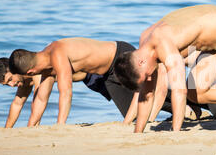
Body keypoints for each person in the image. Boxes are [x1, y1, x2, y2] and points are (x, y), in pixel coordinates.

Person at [114, 4, 216, 134]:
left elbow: (179, 91)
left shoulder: (163, 43)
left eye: (146, 76)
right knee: (195, 92)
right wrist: (137, 132)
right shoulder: (145, 43)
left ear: (140, 62)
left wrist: (175, 132)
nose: (149, 79)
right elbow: (146, 93)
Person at [8, 39, 138, 125]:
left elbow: (66, 93)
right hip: (108, 75)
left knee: (148, 98)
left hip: (121, 56)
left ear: (30, 72)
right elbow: (41, 99)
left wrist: (60, 126)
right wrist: (30, 127)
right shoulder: (46, 64)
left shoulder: (57, 54)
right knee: (132, 116)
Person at [0, 57, 122, 127]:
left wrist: (31, 129)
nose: (12, 85)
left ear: (15, 69)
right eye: (7, 84)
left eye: (10, 79)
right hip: (90, 80)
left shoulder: (36, 72)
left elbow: (39, 100)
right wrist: (8, 130)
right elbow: (17, 104)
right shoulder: (24, 82)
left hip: (97, 72)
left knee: (127, 95)